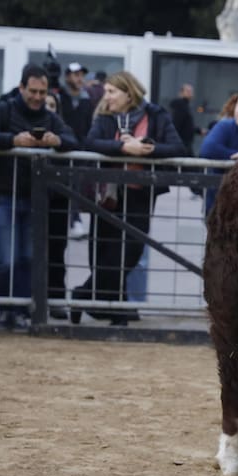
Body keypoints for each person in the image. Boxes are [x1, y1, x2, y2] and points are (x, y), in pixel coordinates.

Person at [69, 71, 185, 325]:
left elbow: (177, 147)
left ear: (128, 93)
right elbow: (90, 143)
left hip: (140, 194)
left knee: (129, 253)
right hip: (108, 193)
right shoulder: (105, 116)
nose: (106, 96)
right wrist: (122, 148)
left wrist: (148, 149)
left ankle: (81, 296)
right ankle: (117, 311)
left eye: (112, 92)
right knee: (106, 253)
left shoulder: (156, 115)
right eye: (107, 91)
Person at [0, 64, 79, 329]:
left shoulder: (49, 116)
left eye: (42, 92)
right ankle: (5, 310)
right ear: (21, 88)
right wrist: (14, 141)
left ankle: (21, 309)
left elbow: (72, 139)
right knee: (7, 258)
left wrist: (55, 140)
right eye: (32, 91)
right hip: (4, 194)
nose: (37, 97)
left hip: (35, 197)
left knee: (28, 258)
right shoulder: (4, 110)